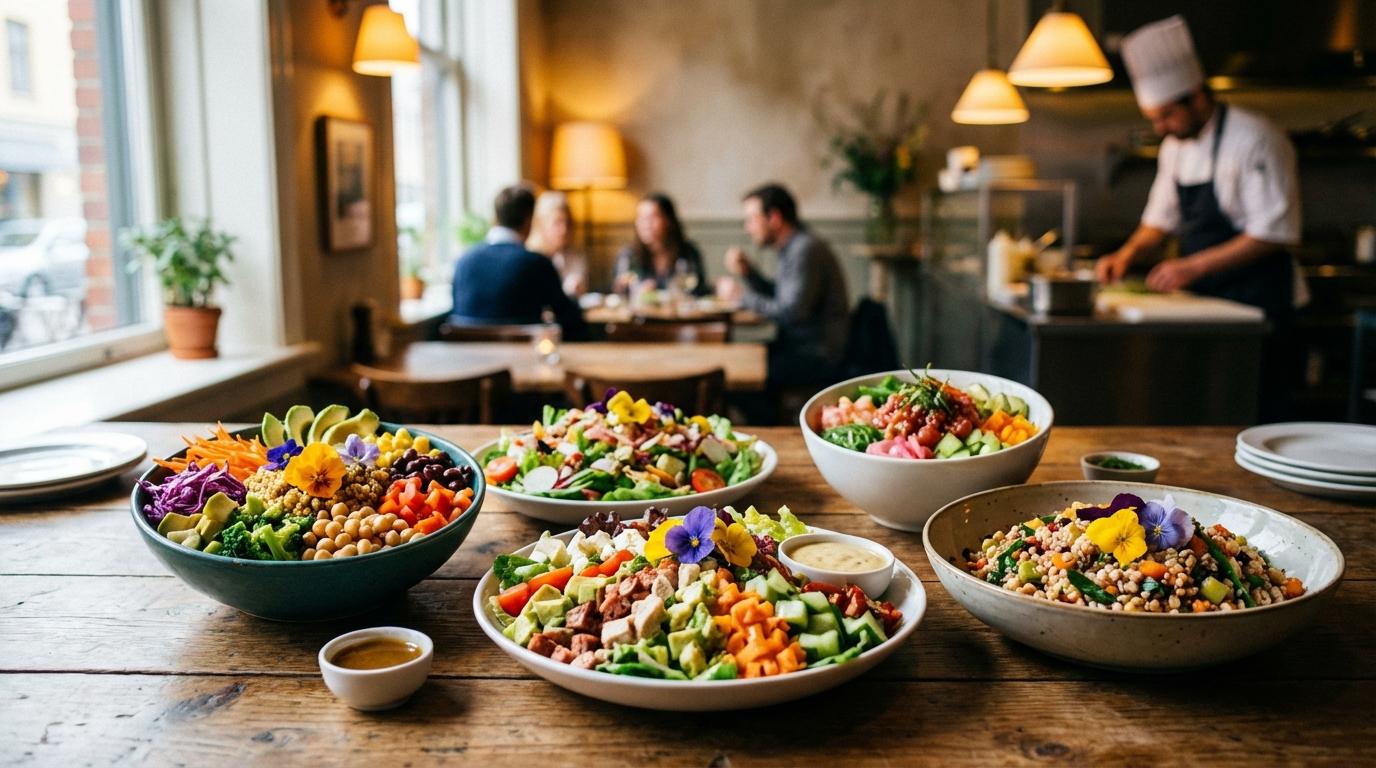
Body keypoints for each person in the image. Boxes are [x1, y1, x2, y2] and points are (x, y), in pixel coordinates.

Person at [1097, 15, 1304, 419]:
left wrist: (1191, 266)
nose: (1160, 127)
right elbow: (1160, 219)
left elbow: (1273, 232)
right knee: (1207, 414)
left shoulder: (1256, 139)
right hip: (1207, 307)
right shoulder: (1175, 147)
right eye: (1154, 118)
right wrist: (1127, 253)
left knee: (1255, 415)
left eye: (1166, 116)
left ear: (1196, 96)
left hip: (1261, 306)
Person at [723, 183, 849, 385]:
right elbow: (783, 297)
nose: (747, 228)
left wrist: (741, 297)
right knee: (736, 363)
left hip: (816, 356)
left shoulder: (804, 250)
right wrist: (749, 273)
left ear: (774, 218)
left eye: (751, 220)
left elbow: (791, 312)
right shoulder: (794, 246)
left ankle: (770, 416)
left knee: (733, 375)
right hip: (800, 347)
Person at [450, 184, 586, 339]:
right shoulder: (536, 263)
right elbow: (570, 319)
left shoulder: (463, 261)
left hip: (469, 358)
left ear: (495, 218)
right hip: (524, 359)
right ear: (530, 220)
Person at [613, 193, 709, 297]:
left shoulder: (688, 252)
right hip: (640, 312)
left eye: (652, 218)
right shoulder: (629, 254)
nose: (646, 224)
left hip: (678, 312)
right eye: (641, 218)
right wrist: (628, 288)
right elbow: (620, 291)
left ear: (668, 221)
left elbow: (699, 290)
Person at [526, 191, 587, 298]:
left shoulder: (575, 254)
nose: (564, 230)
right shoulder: (530, 257)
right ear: (541, 224)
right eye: (557, 223)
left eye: (568, 223)